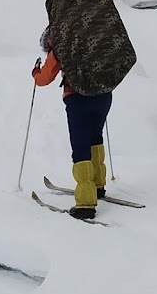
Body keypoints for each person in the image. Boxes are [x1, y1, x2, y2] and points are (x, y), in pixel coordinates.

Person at [32, 26, 111, 220]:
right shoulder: (93, 37)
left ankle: (85, 204)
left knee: (81, 146)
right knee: (95, 138)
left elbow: (44, 78)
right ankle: (98, 186)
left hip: (78, 99)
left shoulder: (62, 45)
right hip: (104, 96)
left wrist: (36, 72)